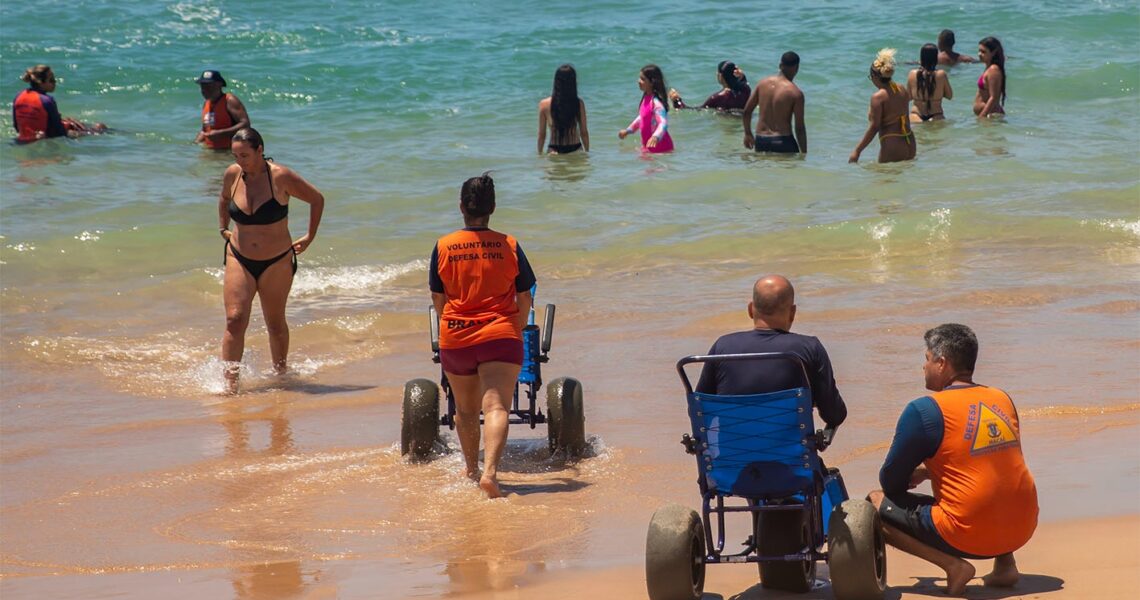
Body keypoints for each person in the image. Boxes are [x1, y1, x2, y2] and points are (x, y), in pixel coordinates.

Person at [868, 323, 1037, 596]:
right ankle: (1006, 565)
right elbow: (989, 460)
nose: (923, 366)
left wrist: (919, 471)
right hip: (1023, 526)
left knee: (874, 503)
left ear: (942, 363)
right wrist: (930, 471)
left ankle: (953, 566)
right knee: (994, 474)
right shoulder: (1001, 398)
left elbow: (891, 481)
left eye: (927, 358)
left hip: (968, 535)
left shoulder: (924, 410)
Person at [429, 173, 536, 499]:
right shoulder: (509, 244)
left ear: (461, 206)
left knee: (464, 410)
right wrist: (516, 327)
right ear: (493, 208)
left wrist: (453, 324)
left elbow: (438, 298)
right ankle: (490, 474)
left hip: (456, 338)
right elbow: (525, 295)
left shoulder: (443, 246)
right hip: (500, 335)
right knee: (496, 406)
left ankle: (471, 470)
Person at [217, 128, 324, 394]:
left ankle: (281, 374)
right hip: (239, 256)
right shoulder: (232, 174)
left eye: (245, 155)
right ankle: (230, 386)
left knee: (274, 323)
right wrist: (223, 228)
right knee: (234, 320)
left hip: (276, 260)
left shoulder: (280, 176)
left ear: (260, 150)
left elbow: (316, 199)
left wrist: (310, 236)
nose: (240, 161)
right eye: (235, 156)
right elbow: (224, 198)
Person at [695, 275, 847, 430]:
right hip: (793, 447)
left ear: (750, 309)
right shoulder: (809, 348)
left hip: (731, 446)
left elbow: (698, 410)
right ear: (792, 312)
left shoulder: (723, 347)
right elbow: (835, 415)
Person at [849, 48, 916, 164]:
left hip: (892, 144)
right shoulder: (901, 88)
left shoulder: (878, 97)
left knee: (881, 176)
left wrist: (857, 151)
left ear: (875, 77)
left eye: (870, 77)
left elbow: (874, 127)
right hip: (910, 141)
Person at [12, 65, 106, 144]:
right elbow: (58, 132)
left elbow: (16, 126)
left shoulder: (19, 96)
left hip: (23, 139)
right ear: (41, 82)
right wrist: (73, 130)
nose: (55, 82)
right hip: (43, 138)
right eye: (51, 80)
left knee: (70, 122)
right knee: (99, 128)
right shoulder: (47, 100)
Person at [742, 52, 806, 154]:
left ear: (780, 65)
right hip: (783, 141)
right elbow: (800, 128)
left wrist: (748, 134)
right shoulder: (796, 93)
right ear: (797, 68)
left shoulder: (762, 84)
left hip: (761, 141)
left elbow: (746, 112)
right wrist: (804, 154)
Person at [618, 64, 674, 153]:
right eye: (639, 78)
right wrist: (628, 130)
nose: (638, 81)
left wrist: (656, 136)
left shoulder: (656, 103)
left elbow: (663, 123)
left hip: (662, 148)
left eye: (642, 79)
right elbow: (642, 117)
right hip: (648, 148)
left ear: (652, 82)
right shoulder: (646, 98)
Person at [537, 64, 590, 155]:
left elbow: (542, 135)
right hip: (575, 148)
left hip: (554, 150)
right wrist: (587, 151)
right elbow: (584, 132)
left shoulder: (544, 104)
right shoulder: (578, 103)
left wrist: (539, 154)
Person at [195, 70, 250, 150]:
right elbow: (204, 130)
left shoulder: (230, 100)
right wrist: (194, 144)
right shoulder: (206, 104)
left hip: (230, 151)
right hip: (212, 151)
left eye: (209, 86)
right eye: (203, 86)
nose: (205, 89)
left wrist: (221, 133)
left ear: (219, 85)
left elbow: (245, 124)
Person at [668, 60, 750, 111]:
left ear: (720, 76)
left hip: (727, 124)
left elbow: (695, 111)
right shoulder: (745, 89)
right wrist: (742, 76)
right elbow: (744, 82)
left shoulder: (718, 97)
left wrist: (677, 101)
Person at [908, 44, 953, 122]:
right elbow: (949, 96)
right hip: (937, 115)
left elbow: (908, 97)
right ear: (935, 58)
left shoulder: (912, 73)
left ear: (921, 57)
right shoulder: (941, 74)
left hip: (916, 115)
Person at [974, 37, 1006, 118]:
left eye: (983, 52)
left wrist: (982, 116)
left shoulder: (993, 70)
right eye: (979, 51)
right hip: (989, 116)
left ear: (993, 53)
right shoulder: (988, 68)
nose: (979, 54)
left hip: (990, 116)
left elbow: (994, 97)